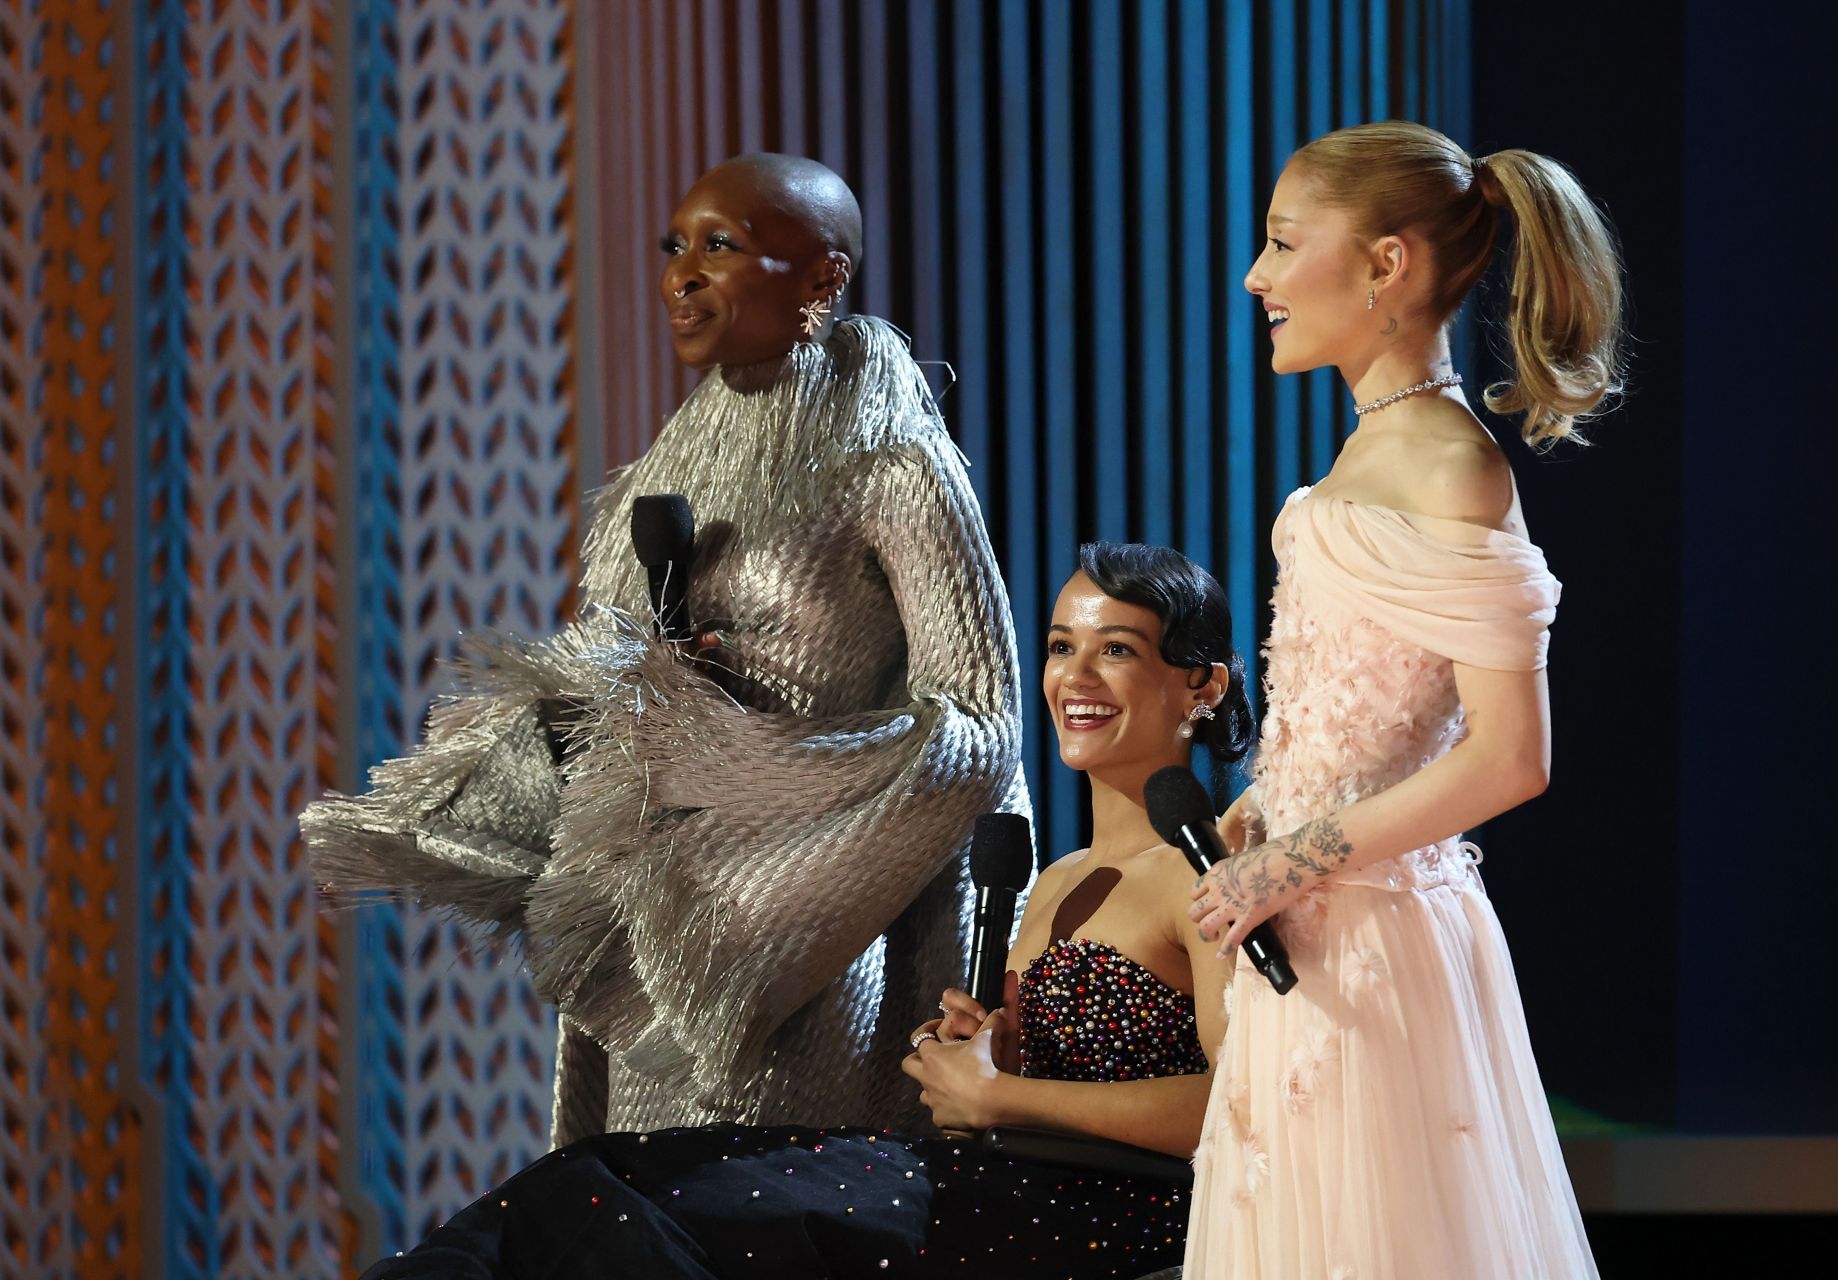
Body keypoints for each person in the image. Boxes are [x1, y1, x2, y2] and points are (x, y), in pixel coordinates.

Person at [300, 154, 1024, 1143]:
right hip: (644, 925)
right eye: (673, 246)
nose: (681, 273)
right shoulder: (668, 467)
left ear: (823, 278)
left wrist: (741, 765)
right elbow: (621, 696)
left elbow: (981, 732)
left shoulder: (896, 469)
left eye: (720, 246)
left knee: (756, 1218)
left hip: (793, 950)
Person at [357, 543, 1251, 1280]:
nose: (1075, 676)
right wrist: (980, 1058)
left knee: (614, 1216)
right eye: (1061, 646)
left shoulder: (1211, 870)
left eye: (1117, 650)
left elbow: (1238, 1105)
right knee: (592, 1171)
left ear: (1203, 687)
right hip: (989, 1184)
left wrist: (1003, 1094)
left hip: (1094, 1220)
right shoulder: (1050, 878)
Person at [1183, 120, 1617, 1278]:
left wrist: (1297, 853)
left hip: (1376, 943)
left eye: (1282, 243)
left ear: (1387, 265)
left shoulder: (1448, 463)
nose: (1256, 276)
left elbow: (1510, 757)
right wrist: (1266, 812)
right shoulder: (1372, 454)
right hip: (1306, 934)